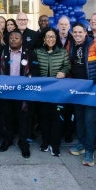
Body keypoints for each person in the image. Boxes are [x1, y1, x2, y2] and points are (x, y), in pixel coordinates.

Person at [66, 23, 96, 166]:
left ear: (85, 33)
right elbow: (68, 64)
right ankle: (82, 144)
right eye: (75, 32)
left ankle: (89, 150)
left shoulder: (95, 45)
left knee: (89, 121)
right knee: (80, 119)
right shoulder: (70, 45)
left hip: (91, 89)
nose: (77, 34)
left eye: (80, 32)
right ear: (72, 33)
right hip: (76, 89)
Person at [30, 27, 70, 157]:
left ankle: (55, 145)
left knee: (57, 118)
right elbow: (33, 66)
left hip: (58, 92)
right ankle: (45, 142)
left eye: (52, 36)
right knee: (44, 118)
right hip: (42, 91)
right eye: (48, 36)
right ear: (44, 39)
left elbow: (67, 65)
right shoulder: (37, 51)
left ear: (56, 38)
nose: (50, 39)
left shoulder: (63, 52)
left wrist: (63, 72)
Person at [0, 30, 35, 157]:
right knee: (7, 117)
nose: (13, 40)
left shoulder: (29, 53)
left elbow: (36, 67)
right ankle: (7, 141)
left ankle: (23, 144)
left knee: (23, 119)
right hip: (6, 91)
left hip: (22, 92)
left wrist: (32, 74)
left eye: (16, 38)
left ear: (21, 40)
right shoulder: (2, 52)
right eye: (11, 38)